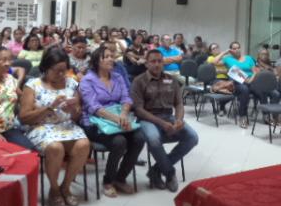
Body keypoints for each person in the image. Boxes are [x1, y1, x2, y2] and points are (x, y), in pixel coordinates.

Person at [19, 48, 90, 206]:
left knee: (84, 145)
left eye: (64, 71)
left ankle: (65, 187)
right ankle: (54, 189)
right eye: (56, 71)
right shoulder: (33, 85)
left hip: (66, 125)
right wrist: (50, 108)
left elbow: (77, 116)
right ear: (45, 67)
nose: (60, 75)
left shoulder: (72, 83)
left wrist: (73, 110)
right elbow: (24, 117)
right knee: (55, 148)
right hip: (41, 127)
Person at [79, 46, 145, 197]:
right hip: (94, 122)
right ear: (97, 61)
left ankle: (120, 178)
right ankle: (108, 181)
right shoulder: (87, 80)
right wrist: (118, 119)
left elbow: (126, 98)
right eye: (106, 56)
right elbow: (94, 107)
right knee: (119, 142)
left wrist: (123, 114)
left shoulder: (117, 77)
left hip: (119, 118)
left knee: (139, 138)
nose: (111, 59)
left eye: (111, 56)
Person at [131, 49, 198, 192]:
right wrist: (162, 123)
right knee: (154, 139)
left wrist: (179, 120)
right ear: (146, 64)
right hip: (147, 119)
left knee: (192, 137)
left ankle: (155, 171)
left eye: (159, 61)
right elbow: (138, 109)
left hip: (169, 117)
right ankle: (169, 173)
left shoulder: (171, 79)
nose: (157, 64)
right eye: (153, 61)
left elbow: (179, 104)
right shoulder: (139, 81)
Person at [222, 41, 255, 129]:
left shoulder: (248, 58)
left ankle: (267, 116)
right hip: (236, 82)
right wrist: (225, 52)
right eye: (234, 48)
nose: (236, 50)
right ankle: (242, 116)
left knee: (261, 89)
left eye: (238, 48)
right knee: (245, 90)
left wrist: (250, 79)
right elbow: (214, 61)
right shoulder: (228, 59)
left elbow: (255, 71)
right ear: (231, 50)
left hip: (251, 80)